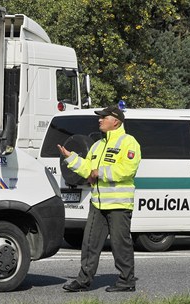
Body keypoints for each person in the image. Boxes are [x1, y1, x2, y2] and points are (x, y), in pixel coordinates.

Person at [57, 105, 141, 292]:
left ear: (116, 121)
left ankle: (126, 281)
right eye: (100, 117)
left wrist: (99, 172)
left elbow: (127, 170)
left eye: (104, 117)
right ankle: (83, 281)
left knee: (120, 245)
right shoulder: (98, 145)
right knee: (89, 243)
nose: (100, 120)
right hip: (97, 203)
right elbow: (88, 168)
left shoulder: (129, 142)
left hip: (119, 204)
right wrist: (72, 159)